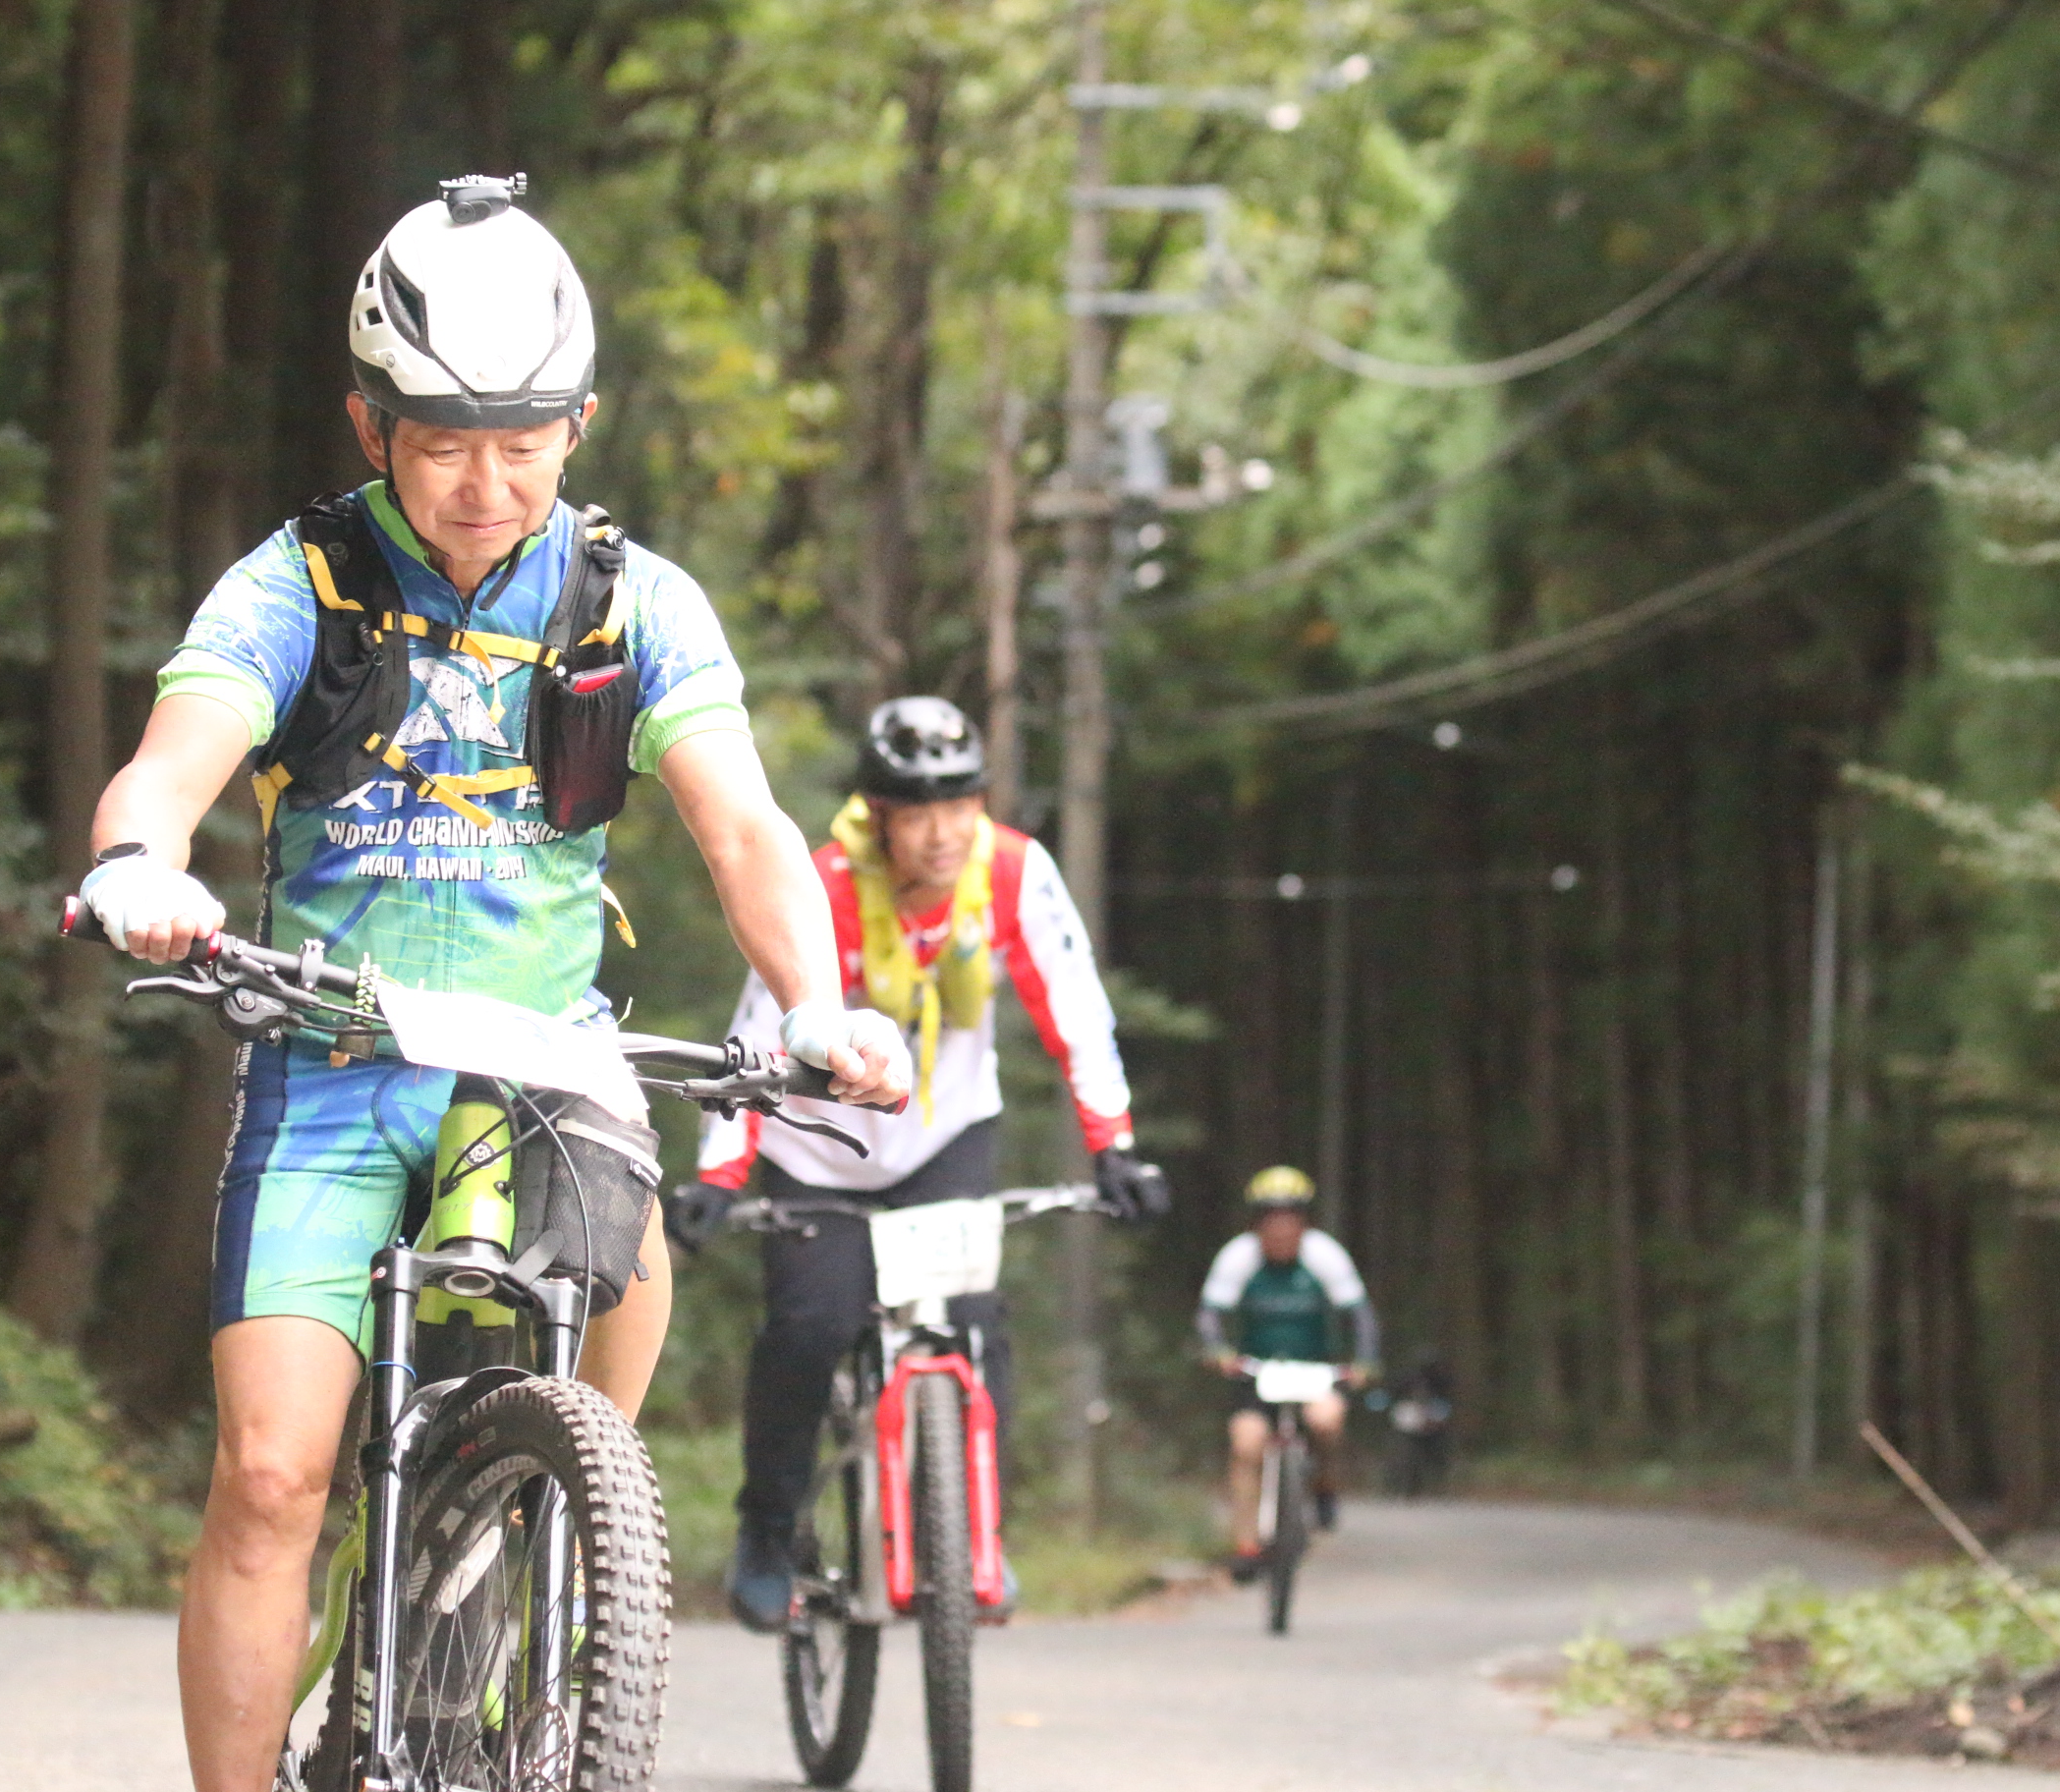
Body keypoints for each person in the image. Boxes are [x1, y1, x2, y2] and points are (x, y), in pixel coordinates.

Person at [76, 176, 910, 1792]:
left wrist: (814, 1002)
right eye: (445, 443)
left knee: (610, 1408)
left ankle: (543, 1630)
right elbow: (171, 765)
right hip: (331, 1059)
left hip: (549, 1066)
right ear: (370, 424)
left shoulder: (631, 600)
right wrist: (137, 866)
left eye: (524, 443)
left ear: (581, 423)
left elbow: (742, 826)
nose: (486, 484)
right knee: (269, 1476)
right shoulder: (301, 581)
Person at [671, 696, 1171, 1633]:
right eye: (917, 811)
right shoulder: (822, 883)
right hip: (819, 1148)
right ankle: (767, 1530)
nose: (943, 832)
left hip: (944, 1139)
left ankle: (974, 1533)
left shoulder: (1013, 873)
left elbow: (1078, 1012)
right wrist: (718, 1174)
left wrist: (1116, 1146)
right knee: (810, 1329)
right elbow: (756, 1027)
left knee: (975, 1328)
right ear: (879, 816)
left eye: (960, 804)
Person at [1198, 1165, 1378, 1575]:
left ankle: (1325, 1485)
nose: (1280, 1229)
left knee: (1326, 1421)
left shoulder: (1324, 1254)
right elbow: (1210, 1313)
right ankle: (1246, 1544)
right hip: (1257, 1372)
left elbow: (1360, 1314)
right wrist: (1218, 1351)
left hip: (1315, 1369)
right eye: (1271, 1218)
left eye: (1289, 1218)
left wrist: (1365, 1360)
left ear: (1303, 1221)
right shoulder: (1239, 1256)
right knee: (1246, 1444)